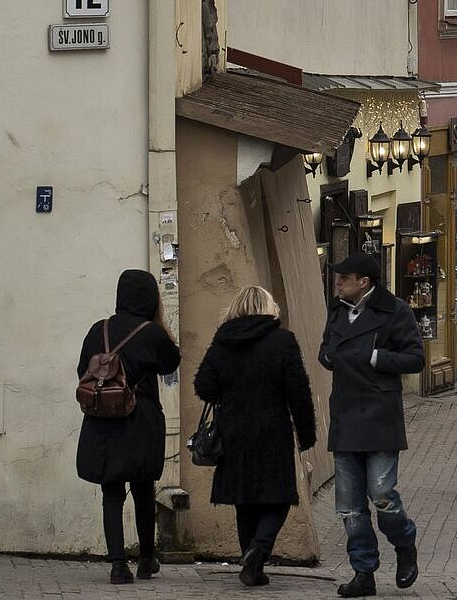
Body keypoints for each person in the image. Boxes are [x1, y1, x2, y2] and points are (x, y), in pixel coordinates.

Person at [193, 285, 316, 588]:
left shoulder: (223, 340)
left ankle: (252, 561)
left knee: (243, 499)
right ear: (268, 308)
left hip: (232, 430)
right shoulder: (282, 341)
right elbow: (298, 390)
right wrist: (306, 434)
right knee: (280, 496)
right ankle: (257, 552)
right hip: (272, 429)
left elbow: (204, 386)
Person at [318, 253, 426, 598]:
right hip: (346, 414)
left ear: (363, 282)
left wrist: (375, 357)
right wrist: (327, 356)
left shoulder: (395, 311)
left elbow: (415, 358)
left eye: (343, 278)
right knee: (350, 506)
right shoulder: (337, 310)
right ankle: (363, 571)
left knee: (382, 495)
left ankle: (404, 543)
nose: (337, 283)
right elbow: (327, 349)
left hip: (380, 415)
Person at [76, 268, 181, 585]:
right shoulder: (152, 333)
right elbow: (170, 364)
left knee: (112, 492)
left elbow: (83, 369)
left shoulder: (99, 329)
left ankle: (118, 565)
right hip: (140, 418)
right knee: (142, 489)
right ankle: (147, 560)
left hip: (102, 418)